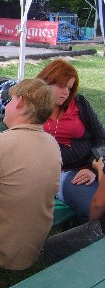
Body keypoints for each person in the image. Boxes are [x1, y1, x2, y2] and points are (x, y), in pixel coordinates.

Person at [0, 79, 62, 270]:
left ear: (20, 103)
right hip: (31, 245)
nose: (6, 105)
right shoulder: (52, 142)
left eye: (10, 100)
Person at [36, 59, 105, 223]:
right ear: (46, 82)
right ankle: (85, 240)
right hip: (58, 171)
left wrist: (91, 168)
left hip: (89, 166)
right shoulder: (33, 108)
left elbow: (101, 138)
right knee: (91, 206)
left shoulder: (79, 103)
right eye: (61, 86)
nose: (66, 92)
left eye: (70, 87)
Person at [44, 157, 105, 265]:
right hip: (61, 172)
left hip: (101, 229)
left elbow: (98, 204)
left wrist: (99, 169)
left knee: (52, 247)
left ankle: (75, 272)